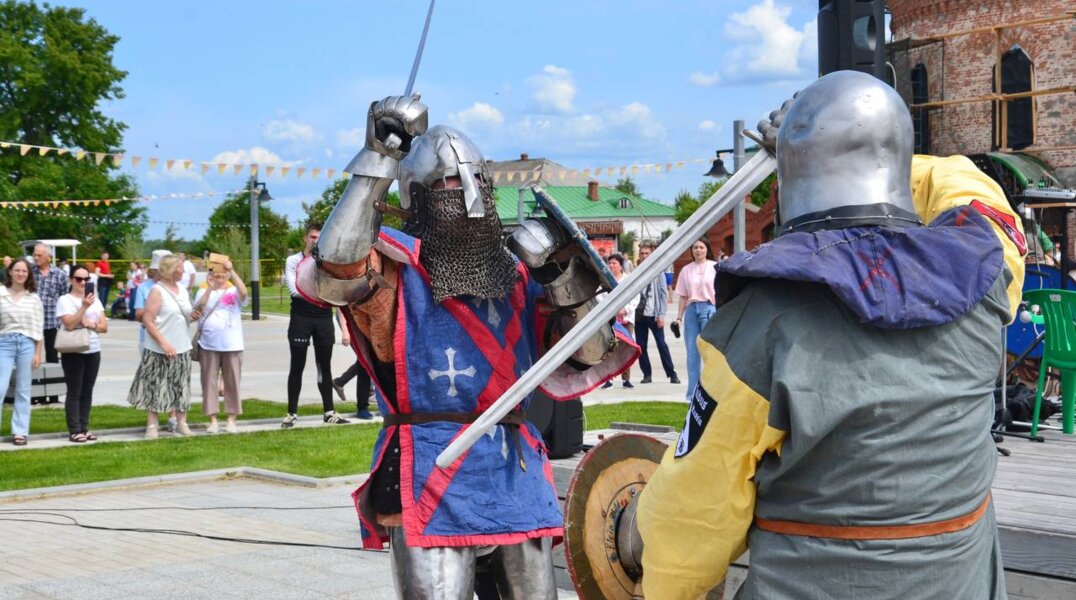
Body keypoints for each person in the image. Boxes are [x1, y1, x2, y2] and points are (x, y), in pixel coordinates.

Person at [637, 71, 1023, 599]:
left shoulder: (760, 325)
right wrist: (865, 143)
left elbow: (692, 517)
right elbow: (970, 188)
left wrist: (664, 587)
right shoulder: (986, 283)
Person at [297, 94, 637, 598]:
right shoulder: (395, 269)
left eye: (469, 180)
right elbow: (335, 269)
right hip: (434, 463)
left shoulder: (520, 270)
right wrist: (379, 157)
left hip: (512, 464)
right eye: (443, 185)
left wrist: (564, 275)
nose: (458, 192)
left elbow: (589, 351)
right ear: (415, 197)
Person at [281, 223, 350, 428]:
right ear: (305, 238)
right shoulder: (293, 260)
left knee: (324, 367)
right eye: (312, 236)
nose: (315, 240)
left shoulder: (327, 262)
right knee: (297, 366)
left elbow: (335, 291)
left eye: (319, 237)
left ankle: (329, 411)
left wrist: (323, 295)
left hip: (323, 319)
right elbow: (294, 289)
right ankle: (292, 412)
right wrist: (321, 295)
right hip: (301, 319)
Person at [127, 254, 193, 439]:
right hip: (159, 347)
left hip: (182, 345)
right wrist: (164, 343)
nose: (183, 270)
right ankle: (152, 425)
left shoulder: (182, 288)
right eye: (180, 267)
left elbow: (185, 314)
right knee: (155, 386)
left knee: (181, 386)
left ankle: (182, 422)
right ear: (172, 269)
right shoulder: (157, 290)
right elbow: (147, 320)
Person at [192, 258, 248, 434]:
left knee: (232, 383)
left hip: (232, 344)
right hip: (209, 344)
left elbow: (244, 293)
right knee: (209, 382)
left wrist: (233, 272)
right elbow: (198, 309)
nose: (219, 277)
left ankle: (231, 419)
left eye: (222, 274)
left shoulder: (233, 290)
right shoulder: (203, 290)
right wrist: (209, 288)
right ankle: (213, 419)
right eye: (216, 274)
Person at [57, 266, 107, 443]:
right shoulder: (65, 300)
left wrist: (89, 324)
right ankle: (74, 429)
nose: (83, 283)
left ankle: (84, 428)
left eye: (87, 280)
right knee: (74, 391)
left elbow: (103, 326)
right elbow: (69, 324)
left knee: (87, 391)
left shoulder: (96, 300)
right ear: (71, 280)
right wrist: (83, 308)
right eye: (79, 279)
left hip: (93, 349)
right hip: (74, 350)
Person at [0, 259, 44, 446]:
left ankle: (20, 431)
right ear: (10, 272)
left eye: (24, 271)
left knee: (23, 389)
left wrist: (37, 353)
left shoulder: (33, 298)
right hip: (4, 343)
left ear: (28, 274)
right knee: (1, 387)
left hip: (26, 343)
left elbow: (38, 326)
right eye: (17, 270)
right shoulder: (1, 293)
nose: (20, 274)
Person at [672, 239, 717, 401]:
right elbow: (683, 296)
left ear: (707, 249)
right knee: (692, 353)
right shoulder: (686, 270)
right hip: (692, 310)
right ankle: (692, 395)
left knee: (709, 352)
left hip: (709, 308)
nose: (698, 250)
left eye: (701, 247)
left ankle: (711, 392)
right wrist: (678, 318)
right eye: (695, 247)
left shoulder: (714, 267)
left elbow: (721, 292)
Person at [634, 242, 679, 385]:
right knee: (641, 346)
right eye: (642, 253)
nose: (644, 256)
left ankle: (671, 373)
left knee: (661, 344)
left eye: (647, 253)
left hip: (654, 314)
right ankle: (646, 374)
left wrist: (661, 314)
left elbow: (663, 294)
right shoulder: (636, 272)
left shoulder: (658, 272)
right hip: (640, 315)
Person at [31, 243, 68, 405]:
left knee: (53, 357)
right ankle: (35, 393)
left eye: (39, 255)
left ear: (48, 257)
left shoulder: (59, 274)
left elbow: (64, 296)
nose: (35, 258)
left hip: (52, 321)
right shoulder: (30, 273)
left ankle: (53, 394)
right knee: (33, 357)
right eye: (34, 255)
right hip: (32, 321)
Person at [600, 253, 638, 389]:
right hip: (610, 321)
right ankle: (608, 379)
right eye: (609, 263)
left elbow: (635, 297)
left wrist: (626, 309)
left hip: (626, 321)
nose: (611, 266)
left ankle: (626, 379)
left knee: (626, 350)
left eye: (614, 263)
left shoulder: (628, 280)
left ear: (621, 266)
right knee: (609, 349)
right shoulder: (605, 281)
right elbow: (601, 297)